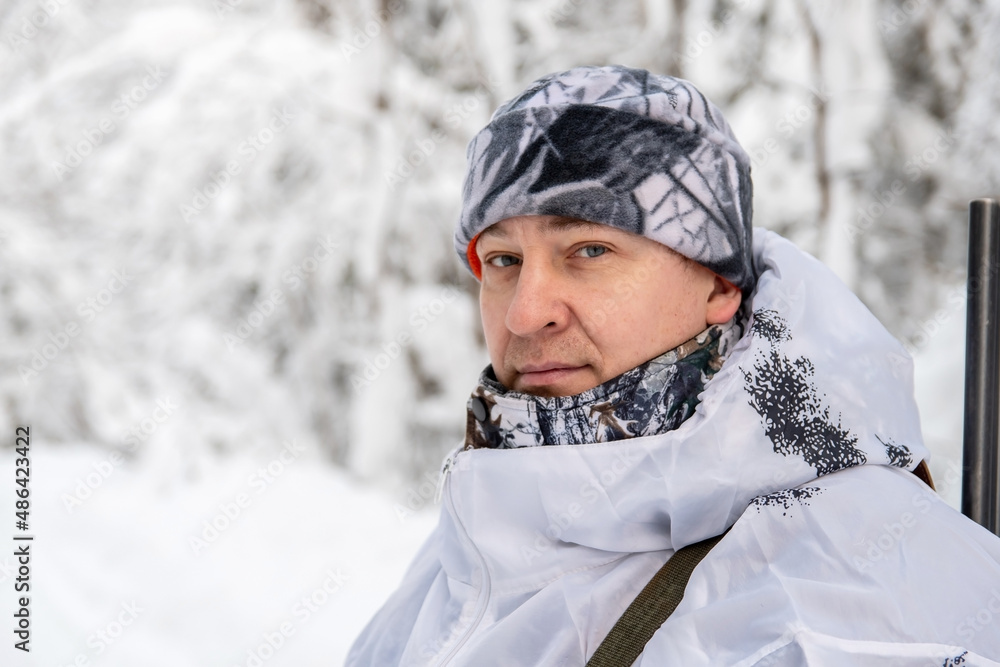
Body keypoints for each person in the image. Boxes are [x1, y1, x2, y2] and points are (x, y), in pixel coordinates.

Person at [347, 65, 1000, 665]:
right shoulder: (459, 558)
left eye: (590, 249)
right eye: (503, 261)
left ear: (718, 285)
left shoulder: (858, 585)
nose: (525, 313)